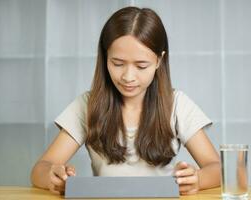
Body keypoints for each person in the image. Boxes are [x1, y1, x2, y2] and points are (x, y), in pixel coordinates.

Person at [31, 6, 220, 196]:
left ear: (159, 61)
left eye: (141, 66)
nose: (128, 76)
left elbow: (217, 169)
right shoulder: (87, 105)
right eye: (118, 64)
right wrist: (52, 176)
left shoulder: (177, 104)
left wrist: (198, 179)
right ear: (105, 58)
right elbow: (39, 169)